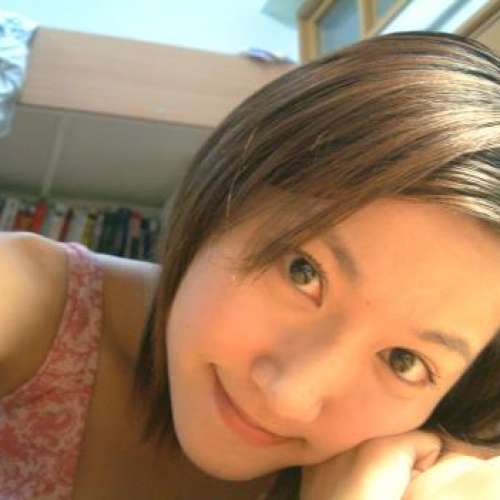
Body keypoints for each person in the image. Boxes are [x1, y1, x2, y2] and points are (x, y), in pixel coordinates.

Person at [1, 30, 500, 500]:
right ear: (229, 191)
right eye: (304, 273)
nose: (289, 396)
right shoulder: (24, 300)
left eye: (404, 361)